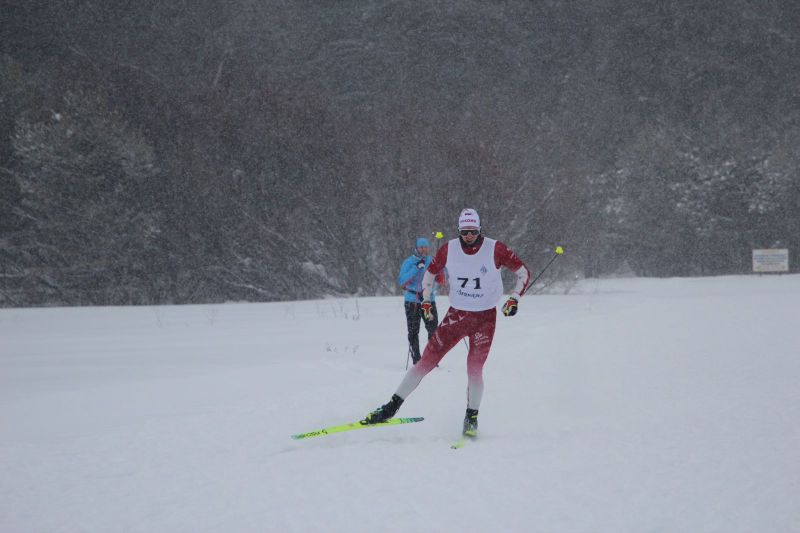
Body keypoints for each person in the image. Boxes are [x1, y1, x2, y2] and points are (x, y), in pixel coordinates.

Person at [363, 208, 531, 437]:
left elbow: (523, 273)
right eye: (464, 232)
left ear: (480, 230)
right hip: (457, 317)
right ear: (459, 230)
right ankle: (390, 408)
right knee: (425, 362)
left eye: (473, 231)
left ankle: (471, 418)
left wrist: (514, 299)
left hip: (485, 319)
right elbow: (429, 274)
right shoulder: (448, 249)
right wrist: (425, 301)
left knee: (475, 369)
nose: (469, 236)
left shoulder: (496, 248)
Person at [398, 237, 438, 365]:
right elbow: (402, 281)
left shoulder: (432, 261)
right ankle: (417, 360)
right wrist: (416, 268)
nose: (423, 249)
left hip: (428, 300)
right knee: (413, 331)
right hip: (412, 300)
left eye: (425, 247)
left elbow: (441, 277)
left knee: (433, 330)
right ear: (416, 248)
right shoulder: (409, 262)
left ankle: (431, 359)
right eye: (421, 247)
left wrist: (440, 269)